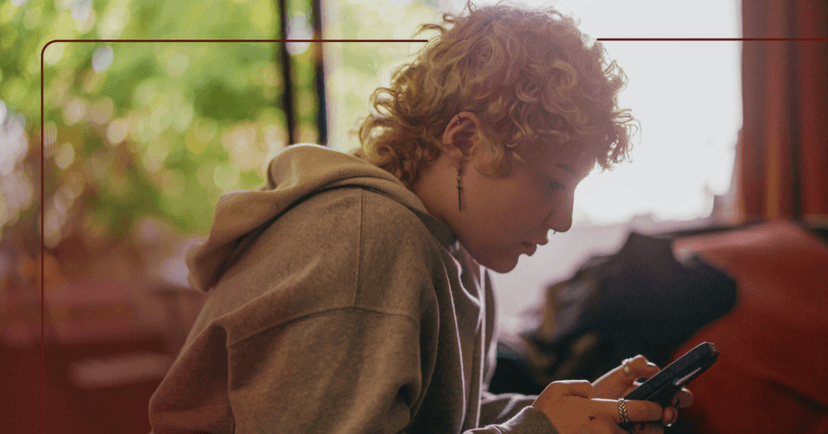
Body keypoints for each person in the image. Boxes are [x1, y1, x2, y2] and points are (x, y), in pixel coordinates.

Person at [148, 1, 692, 433]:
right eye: (553, 180)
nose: (565, 219)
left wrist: (575, 413)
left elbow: (430, 419)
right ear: (465, 139)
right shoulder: (367, 242)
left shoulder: (457, 251)